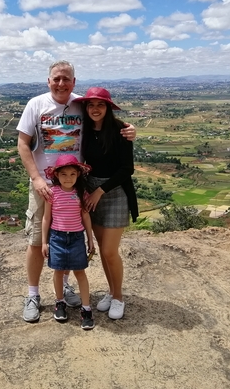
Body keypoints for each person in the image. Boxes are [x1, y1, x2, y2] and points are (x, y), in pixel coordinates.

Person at [16, 61, 136, 323]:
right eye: (56, 79)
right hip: (45, 185)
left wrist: (129, 129)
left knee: (70, 233)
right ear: (48, 81)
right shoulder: (36, 104)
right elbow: (23, 144)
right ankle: (33, 294)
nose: (61, 84)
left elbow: (104, 118)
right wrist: (36, 179)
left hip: (78, 183)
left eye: (66, 79)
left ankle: (67, 286)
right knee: (38, 240)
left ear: (74, 81)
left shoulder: (81, 104)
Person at [74, 87, 139, 320]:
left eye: (100, 105)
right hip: (91, 191)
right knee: (103, 250)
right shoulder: (84, 130)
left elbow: (126, 169)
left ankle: (119, 297)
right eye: (91, 105)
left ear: (108, 107)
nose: (95, 109)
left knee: (110, 251)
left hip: (113, 192)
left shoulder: (121, 131)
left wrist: (100, 191)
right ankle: (111, 293)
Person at [41, 154, 95, 330]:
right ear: (56, 175)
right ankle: (60, 302)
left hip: (77, 237)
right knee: (58, 271)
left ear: (78, 175)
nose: (68, 178)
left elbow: (85, 216)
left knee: (80, 272)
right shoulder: (52, 193)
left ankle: (86, 309)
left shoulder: (81, 193)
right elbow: (46, 218)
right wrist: (44, 242)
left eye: (72, 174)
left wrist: (90, 239)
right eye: (63, 174)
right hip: (57, 237)